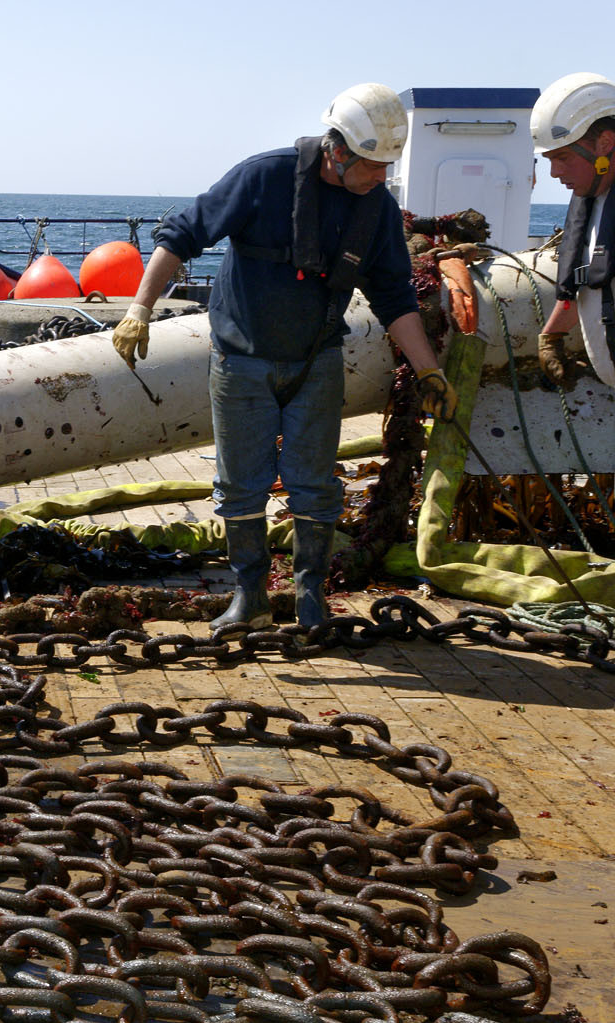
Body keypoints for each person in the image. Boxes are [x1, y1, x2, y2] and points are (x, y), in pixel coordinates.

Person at [111, 83, 457, 635]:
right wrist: (139, 309)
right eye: (372, 165)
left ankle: (309, 595)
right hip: (241, 360)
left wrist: (428, 369)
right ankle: (249, 596)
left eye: (388, 167)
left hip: (315, 362)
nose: (381, 178)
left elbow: (396, 297)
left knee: (314, 484)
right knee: (240, 485)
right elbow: (182, 235)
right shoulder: (263, 178)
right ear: (336, 150)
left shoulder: (377, 210)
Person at [532, 72, 615, 390]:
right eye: (550, 160)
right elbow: (588, 278)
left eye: (563, 158)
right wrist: (551, 337)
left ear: (605, 143)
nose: (554, 173)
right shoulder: (595, 200)